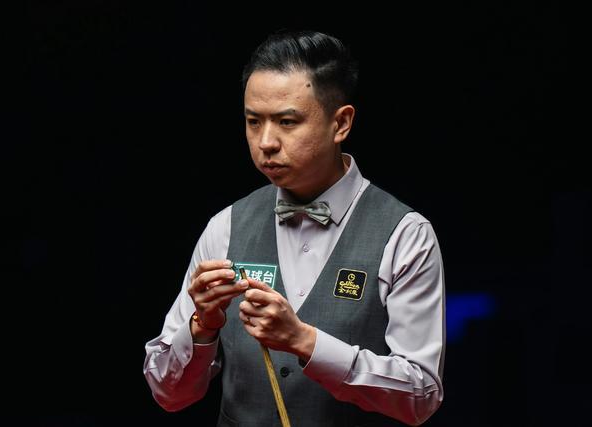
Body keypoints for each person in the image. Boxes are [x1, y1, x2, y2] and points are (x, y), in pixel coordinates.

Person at [144, 29, 445, 426]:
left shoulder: (405, 234)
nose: (266, 141)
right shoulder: (226, 226)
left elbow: (421, 396)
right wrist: (202, 327)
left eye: (287, 121)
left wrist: (304, 341)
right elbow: (169, 395)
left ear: (341, 123)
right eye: (253, 121)